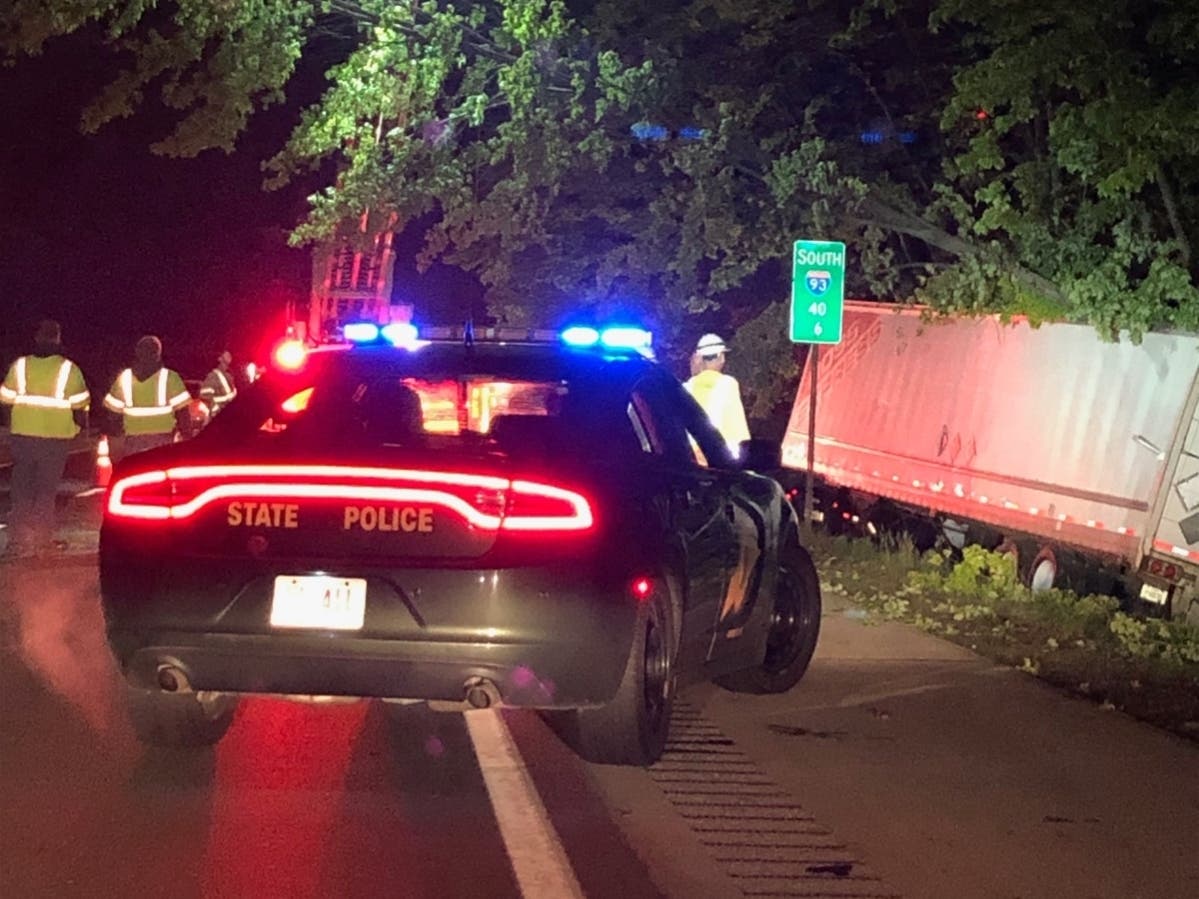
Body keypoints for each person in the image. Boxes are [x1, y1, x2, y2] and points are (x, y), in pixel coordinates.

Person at [0, 320, 90, 559]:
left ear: (37, 337)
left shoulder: (19, 366)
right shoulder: (69, 369)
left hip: (24, 436)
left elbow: (6, 400)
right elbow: (80, 406)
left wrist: (13, 426)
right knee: (45, 490)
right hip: (54, 438)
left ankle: (17, 541)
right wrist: (77, 428)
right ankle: (41, 541)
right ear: (58, 339)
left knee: (22, 487)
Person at [103, 335, 192, 460]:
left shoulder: (124, 378)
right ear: (158, 354)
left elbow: (112, 417)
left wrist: (117, 441)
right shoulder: (171, 378)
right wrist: (187, 437)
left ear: (137, 353)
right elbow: (183, 414)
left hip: (133, 443)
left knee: (136, 476)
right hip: (163, 442)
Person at [683, 333, 751, 457]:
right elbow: (738, 425)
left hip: (690, 458)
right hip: (718, 459)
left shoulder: (686, 387)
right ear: (721, 356)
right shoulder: (727, 384)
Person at [200, 350, 238, 418]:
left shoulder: (229, 375)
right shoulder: (213, 376)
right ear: (220, 359)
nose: (229, 355)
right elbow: (205, 395)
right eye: (226, 354)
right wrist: (215, 409)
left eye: (230, 354)